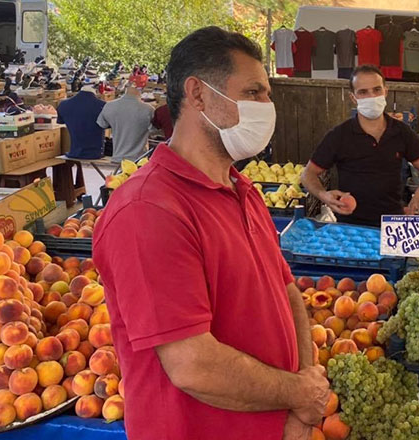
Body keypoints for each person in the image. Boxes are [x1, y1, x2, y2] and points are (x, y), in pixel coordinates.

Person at [92, 27, 329, 440]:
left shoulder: (243, 191)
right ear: (198, 95)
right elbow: (192, 364)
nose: (267, 106)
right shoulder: (148, 211)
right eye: (254, 93)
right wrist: (298, 394)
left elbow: (287, 291)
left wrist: (302, 406)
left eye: (267, 95)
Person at [301, 64, 419, 226]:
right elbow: (308, 174)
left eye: (377, 90)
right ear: (353, 98)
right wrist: (324, 195)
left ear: (385, 92)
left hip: (392, 223)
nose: (371, 96)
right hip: (350, 224)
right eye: (363, 92)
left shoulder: (402, 132)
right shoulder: (339, 136)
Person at [97, 84, 155, 163]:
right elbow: (154, 130)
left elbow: (102, 124)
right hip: (139, 159)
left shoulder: (109, 106)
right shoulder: (149, 109)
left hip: (117, 157)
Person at [57, 84, 106, 159]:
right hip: (95, 153)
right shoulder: (102, 105)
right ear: (95, 91)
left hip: (73, 151)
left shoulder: (63, 104)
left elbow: (61, 121)